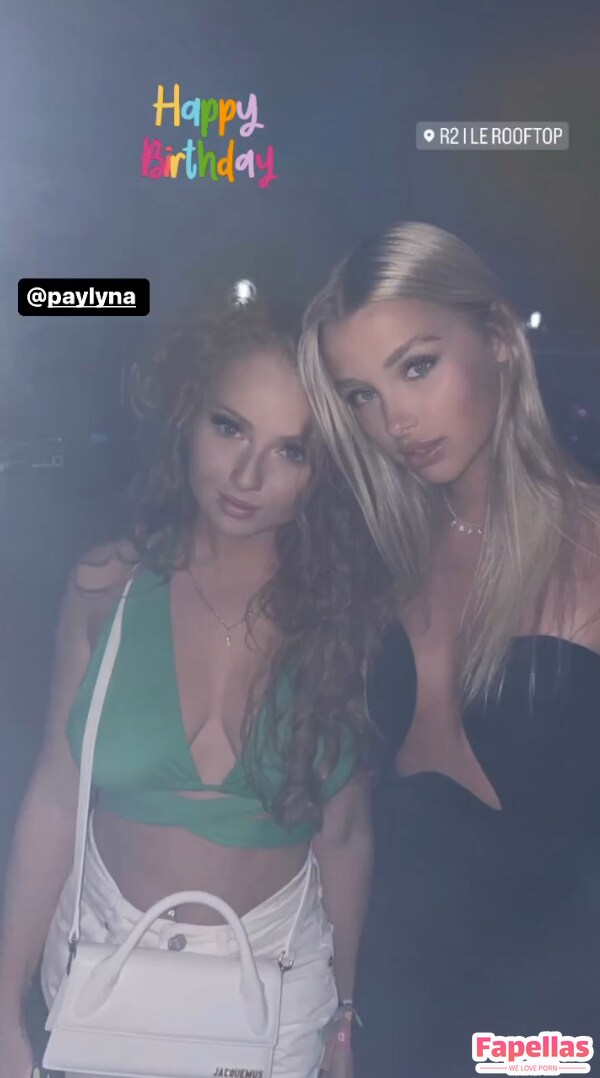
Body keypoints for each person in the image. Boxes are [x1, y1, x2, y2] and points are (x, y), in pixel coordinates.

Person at [0, 288, 382, 1078]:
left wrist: (344, 1020)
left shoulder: (345, 618)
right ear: (187, 418)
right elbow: (55, 795)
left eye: (291, 450)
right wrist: (2, 1000)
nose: (246, 474)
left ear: (325, 471)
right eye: (229, 427)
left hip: (279, 979)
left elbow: (344, 836)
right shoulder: (107, 587)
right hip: (104, 966)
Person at [298, 222, 600, 1077]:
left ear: (498, 337)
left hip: (553, 1025)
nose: (394, 420)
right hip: (396, 1008)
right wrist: (344, 1017)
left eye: (417, 367)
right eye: (361, 395)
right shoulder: (381, 560)